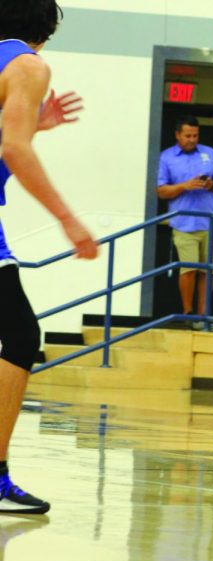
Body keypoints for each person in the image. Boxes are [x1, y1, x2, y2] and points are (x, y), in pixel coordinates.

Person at [0, 0, 98, 514]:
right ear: (46, 28)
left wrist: (35, 125)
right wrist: (68, 218)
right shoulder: (28, 64)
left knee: (15, 332)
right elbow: (13, 150)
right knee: (18, 335)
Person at [157, 115, 213, 331]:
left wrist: (211, 185)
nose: (191, 139)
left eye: (195, 135)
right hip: (183, 222)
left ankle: (204, 316)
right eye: (187, 135)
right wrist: (184, 186)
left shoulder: (210, 154)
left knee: (209, 271)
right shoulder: (166, 157)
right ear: (177, 135)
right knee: (188, 269)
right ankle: (188, 314)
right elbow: (161, 190)